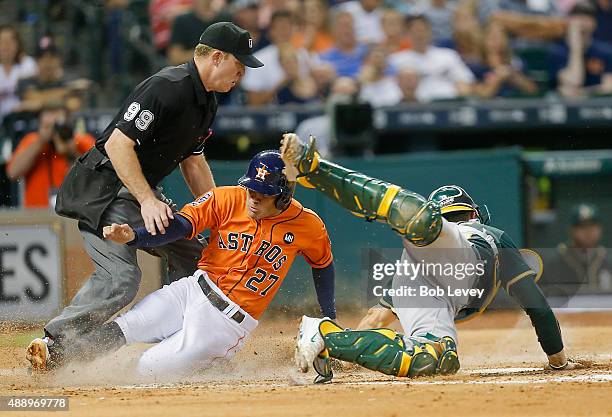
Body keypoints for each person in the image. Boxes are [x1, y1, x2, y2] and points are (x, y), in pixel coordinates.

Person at [25, 22, 264, 372]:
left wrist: (220, 216)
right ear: (216, 57)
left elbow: (194, 162)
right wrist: (149, 200)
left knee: (198, 258)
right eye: (239, 65)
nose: (242, 74)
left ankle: (183, 342)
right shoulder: (168, 87)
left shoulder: (206, 102)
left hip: (135, 193)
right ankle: (55, 344)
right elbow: (119, 144)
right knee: (122, 279)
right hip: (102, 188)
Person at [279, 133, 578, 382]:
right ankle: (312, 167)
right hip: (462, 257)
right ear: (473, 215)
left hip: (430, 291)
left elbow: (376, 318)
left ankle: (324, 337)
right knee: (418, 219)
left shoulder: (417, 259)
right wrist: (559, 361)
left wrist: (346, 353)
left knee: (435, 360)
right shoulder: (491, 234)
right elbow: (537, 308)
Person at [27, 150, 336, 377]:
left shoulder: (307, 225)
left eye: (263, 194)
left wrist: (329, 317)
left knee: (149, 368)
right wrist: (133, 236)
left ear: (281, 197)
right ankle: (55, 356)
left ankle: (213, 362)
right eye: (251, 189)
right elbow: (179, 225)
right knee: (125, 327)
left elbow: (323, 265)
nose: (253, 197)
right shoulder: (227, 199)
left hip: (227, 322)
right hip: (193, 289)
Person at [5, 102, 95, 208]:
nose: (54, 130)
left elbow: (97, 178)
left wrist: (72, 152)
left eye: (57, 125)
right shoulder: (32, 141)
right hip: (38, 216)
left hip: (76, 212)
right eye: (48, 125)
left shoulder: (80, 141)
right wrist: (41, 141)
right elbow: (12, 173)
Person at [388, 15, 474, 102]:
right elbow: (390, 88)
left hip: (447, 104)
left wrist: (461, 99)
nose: (420, 35)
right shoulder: (396, 59)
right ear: (407, 34)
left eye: (423, 30)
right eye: (415, 31)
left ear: (430, 32)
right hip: (414, 105)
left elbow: (464, 81)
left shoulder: (448, 55)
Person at [540, 203, 612, 301]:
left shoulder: (608, 259)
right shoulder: (553, 261)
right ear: (571, 230)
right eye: (582, 227)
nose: (588, 231)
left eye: (593, 226)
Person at [242, 10, 311, 106]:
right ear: (271, 31)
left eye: (288, 27)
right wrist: (283, 83)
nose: (285, 32)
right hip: (269, 115)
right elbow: (253, 103)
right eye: (281, 28)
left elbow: (311, 93)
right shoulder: (258, 59)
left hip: (303, 111)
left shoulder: (303, 55)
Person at [554, 2, 612, 98]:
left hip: (598, 105)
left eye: (586, 17)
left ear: (594, 23)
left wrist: (583, 92)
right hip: (566, 107)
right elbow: (574, 81)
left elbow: (609, 86)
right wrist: (576, 48)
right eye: (577, 17)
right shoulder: (558, 51)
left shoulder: (605, 51)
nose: (582, 22)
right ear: (568, 21)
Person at [167, 0, 231, 66]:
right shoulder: (182, 21)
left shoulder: (226, 19)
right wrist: (208, 53)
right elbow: (175, 58)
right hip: (192, 71)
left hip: (221, 70)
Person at [0, 25, 37, 122]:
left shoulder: (28, 64)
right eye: (2, 41)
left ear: (18, 44)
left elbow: (33, 93)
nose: (6, 46)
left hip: (24, 118)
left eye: (10, 41)